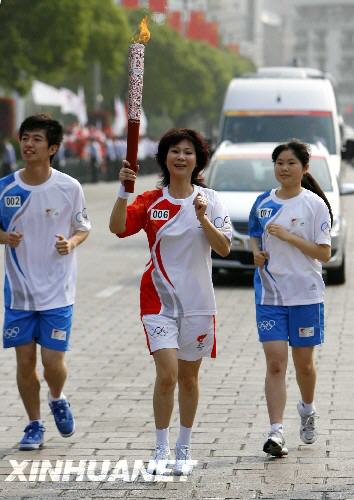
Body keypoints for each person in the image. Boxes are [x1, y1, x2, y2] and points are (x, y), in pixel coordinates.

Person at [109, 128, 232, 475]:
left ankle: (183, 446)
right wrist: (122, 190)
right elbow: (117, 227)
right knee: (168, 374)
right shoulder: (151, 200)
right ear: (165, 157)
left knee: (189, 379)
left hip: (198, 303)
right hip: (157, 301)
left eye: (188, 152)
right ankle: (160, 447)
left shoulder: (211, 199)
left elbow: (223, 247)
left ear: (198, 160)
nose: (181, 157)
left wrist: (202, 216)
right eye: (175, 151)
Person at [0, 114, 91, 450]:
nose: (28, 144)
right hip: (19, 294)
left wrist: (71, 243)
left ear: (52, 148)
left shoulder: (69, 187)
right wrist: (3, 237)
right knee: (24, 361)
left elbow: (83, 228)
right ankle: (34, 425)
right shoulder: (5, 188)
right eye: (25, 138)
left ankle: (56, 396)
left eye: (37, 139)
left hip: (57, 292)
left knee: (52, 364)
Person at [248, 140, 332, 457]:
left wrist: (290, 238)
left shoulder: (314, 205)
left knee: (305, 366)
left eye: (291, 163)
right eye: (279, 162)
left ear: (304, 168)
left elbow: (324, 252)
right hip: (270, 294)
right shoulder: (263, 202)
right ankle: (276, 432)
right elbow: (255, 235)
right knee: (274, 364)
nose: (284, 168)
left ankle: (307, 410)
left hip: (306, 295)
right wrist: (257, 253)